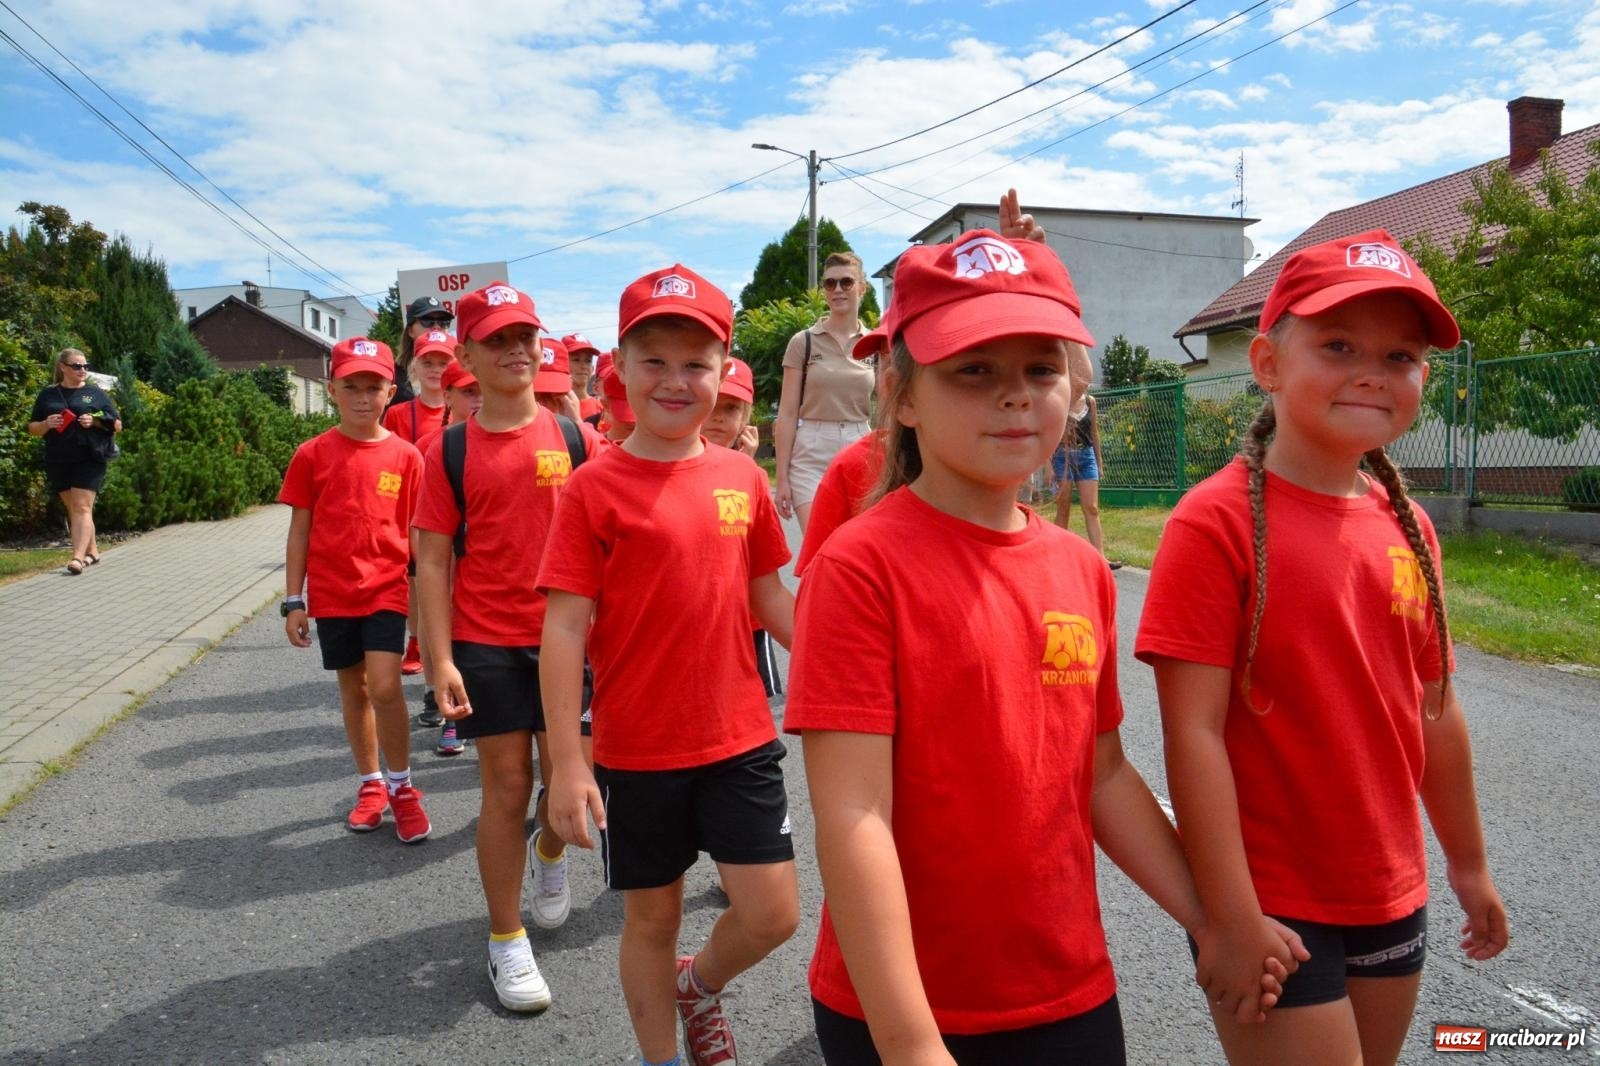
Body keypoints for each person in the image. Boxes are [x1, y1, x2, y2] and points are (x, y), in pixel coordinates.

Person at [785, 231, 1301, 1065]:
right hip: (904, 1007)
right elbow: (855, 814)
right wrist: (912, 1042)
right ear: (903, 397)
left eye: (1040, 369)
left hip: (1068, 995)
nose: (1015, 397)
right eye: (974, 370)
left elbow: (1102, 774)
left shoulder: (1080, 567)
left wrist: (1211, 919)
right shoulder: (861, 565)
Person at [1136, 230, 1509, 1066]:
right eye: (1338, 345)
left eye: (1402, 355)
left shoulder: (1409, 527)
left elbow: (1433, 710)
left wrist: (1469, 866)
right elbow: (1191, 733)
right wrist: (1227, 918)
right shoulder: (1215, 522)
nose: (1373, 371)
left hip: (1388, 891)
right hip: (1266, 900)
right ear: (1267, 363)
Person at [540, 264, 799, 1066]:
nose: (676, 381)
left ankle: (700, 985)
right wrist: (568, 762)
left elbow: (770, 598)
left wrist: (855, 670)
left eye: (697, 362)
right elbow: (563, 629)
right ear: (618, 368)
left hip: (740, 736)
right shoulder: (592, 489)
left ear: (724, 374)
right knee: (652, 922)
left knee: (773, 913)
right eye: (655, 360)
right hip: (636, 751)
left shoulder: (741, 477)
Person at [412, 281, 605, 1013]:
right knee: (506, 786)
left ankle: (550, 852)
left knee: (571, 775)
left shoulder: (577, 436)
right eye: (497, 338)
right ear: (466, 354)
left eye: (524, 335)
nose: (516, 349)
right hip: (487, 640)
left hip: (573, 640)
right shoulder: (449, 451)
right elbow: (431, 561)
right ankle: (505, 939)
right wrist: (439, 659)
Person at [278, 337, 431, 844]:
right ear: (332, 390)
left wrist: (428, 594)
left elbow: (417, 532)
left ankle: (403, 786)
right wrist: (294, 599)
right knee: (355, 689)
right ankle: (371, 785)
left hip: (387, 588)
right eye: (352, 387)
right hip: (333, 594)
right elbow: (300, 529)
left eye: (373, 387)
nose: (363, 397)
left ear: (392, 390)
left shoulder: (408, 456)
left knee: (386, 687)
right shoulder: (312, 454)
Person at [772, 251, 874, 532]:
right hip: (811, 451)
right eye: (830, 284)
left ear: (862, 287)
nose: (838, 289)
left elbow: (888, 411)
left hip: (860, 446)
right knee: (820, 546)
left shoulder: (877, 344)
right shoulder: (802, 342)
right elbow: (788, 413)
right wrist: (782, 479)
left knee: (856, 547)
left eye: (846, 282)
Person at [411, 358, 482, 756]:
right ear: (449, 397)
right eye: (468, 392)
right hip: (442, 548)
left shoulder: (494, 436)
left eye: (480, 390)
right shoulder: (430, 447)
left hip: (479, 553)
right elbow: (417, 515)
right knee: (438, 616)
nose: (477, 399)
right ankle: (443, 699)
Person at [385, 328, 456, 676]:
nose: (436, 369)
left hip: (454, 509)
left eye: (444, 362)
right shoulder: (400, 415)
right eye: (428, 361)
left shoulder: (466, 402)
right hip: (415, 510)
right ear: (415, 366)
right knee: (416, 580)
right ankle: (418, 639)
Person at [26, 348, 122, 576]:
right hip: (58, 458)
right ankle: (93, 551)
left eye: (85, 366)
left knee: (81, 506)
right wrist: (46, 424)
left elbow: (117, 424)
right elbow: (32, 428)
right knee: (75, 508)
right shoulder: (48, 395)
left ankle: (77, 558)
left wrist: (95, 420)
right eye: (77, 366)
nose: (83, 370)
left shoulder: (95, 394)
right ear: (63, 367)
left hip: (89, 456)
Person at [1051, 386, 1120, 568]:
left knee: (1092, 508)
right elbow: (1047, 433)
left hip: (1086, 456)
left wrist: (1099, 460)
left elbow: (1094, 432)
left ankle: (1100, 558)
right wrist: (1047, 465)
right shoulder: (1059, 398)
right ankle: (1055, 556)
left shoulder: (1090, 401)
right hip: (1062, 456)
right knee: (1063, 506)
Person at [395, 296, 455, 405]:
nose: (436, 327)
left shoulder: (461, 369)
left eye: (443, 322)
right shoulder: (394, 374)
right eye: (427, 321)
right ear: (410, 331)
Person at [562, 333, 605, 425]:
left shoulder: (602, 407)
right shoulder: (553, 406)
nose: (583, 366)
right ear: (562, 363)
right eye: (576, 359)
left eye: (588, 360)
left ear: (592, 368)